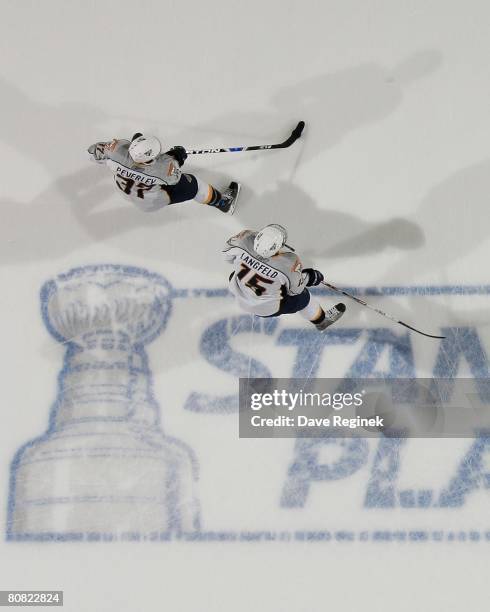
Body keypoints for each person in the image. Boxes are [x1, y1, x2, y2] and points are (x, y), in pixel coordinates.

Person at [223, 224, 346, 331]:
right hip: (265, 308)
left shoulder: (243, 240)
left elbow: (227, 257)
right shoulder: (288, 262)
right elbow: (296, 290)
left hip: (240, 294)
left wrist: (252, 264)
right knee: (303, 297)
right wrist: (311, 277)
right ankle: (322, 321)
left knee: (235, 275)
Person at [87, 133, 240, 213]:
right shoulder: (162, 170)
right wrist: (176, 157)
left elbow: (93, 152)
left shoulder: (115, 150)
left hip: (125, 192)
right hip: (151, 201)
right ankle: (224, 203)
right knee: (194, 185)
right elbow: (174, 177)